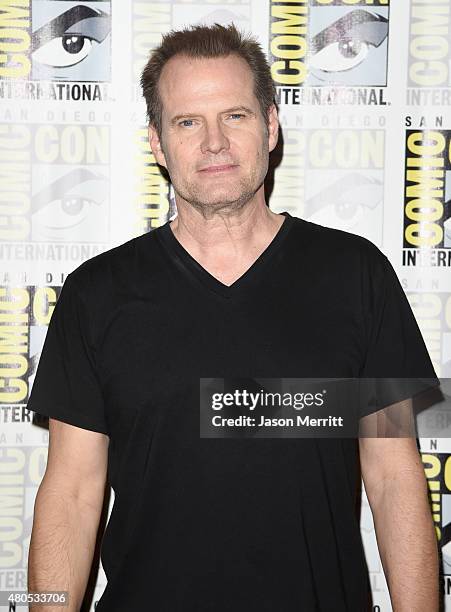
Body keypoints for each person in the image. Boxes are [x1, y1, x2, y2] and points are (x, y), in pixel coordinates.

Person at [27, 23, 440, 611]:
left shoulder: (356, 275)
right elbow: (70, 492)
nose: (214, 142)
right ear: (157, 142)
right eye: (188, 121)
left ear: (271, 126)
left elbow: (394, 476)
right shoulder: (96, 293)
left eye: (236, 116)